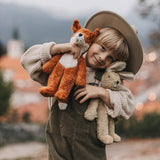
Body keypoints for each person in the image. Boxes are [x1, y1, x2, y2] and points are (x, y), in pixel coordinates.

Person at [21, 11, 143, 160]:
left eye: (111, 58)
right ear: (92, 40)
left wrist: (101, 92)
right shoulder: (64, 63)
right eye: (102, 48)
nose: (102, 57)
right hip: (58, 146)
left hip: (90, 152)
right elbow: (27, 60)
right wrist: (58, 48)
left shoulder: (107, 79)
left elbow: (128, 105)